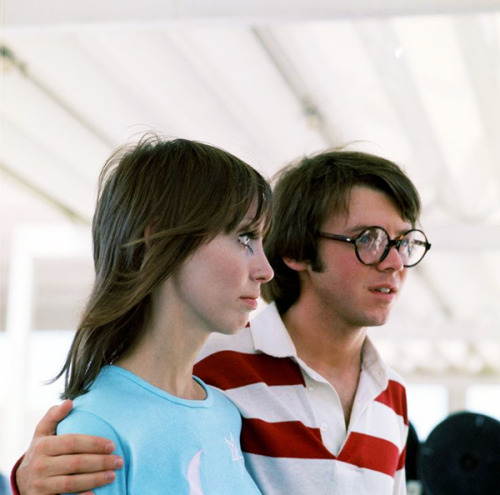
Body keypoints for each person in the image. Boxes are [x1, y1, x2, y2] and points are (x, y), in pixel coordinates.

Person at [12, 149, 432, 495]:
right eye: (369, 239)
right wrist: (24, 481)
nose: (395, 262)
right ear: (299, 251)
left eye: (405, 242)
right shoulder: (216, 369)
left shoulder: (391, 395)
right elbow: (118, 426)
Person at [11, 135, 274, 494]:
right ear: (159, 239)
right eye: (245, 238)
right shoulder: (94, 429)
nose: (265, 269)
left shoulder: (226, 413)